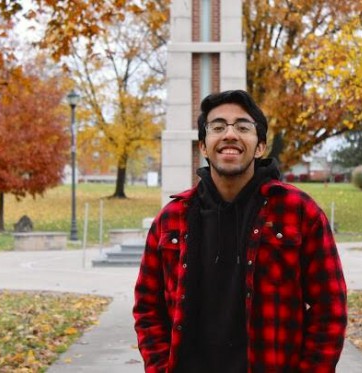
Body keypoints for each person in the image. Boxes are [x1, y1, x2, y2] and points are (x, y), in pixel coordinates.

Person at [133, 90, 347, 372]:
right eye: (218, 127)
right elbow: (148, 308)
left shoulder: (299, 212)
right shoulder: (170, 220)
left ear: (259, 147)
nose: (230, 134)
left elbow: (329, 308)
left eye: (243, 127)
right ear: (203, 146)